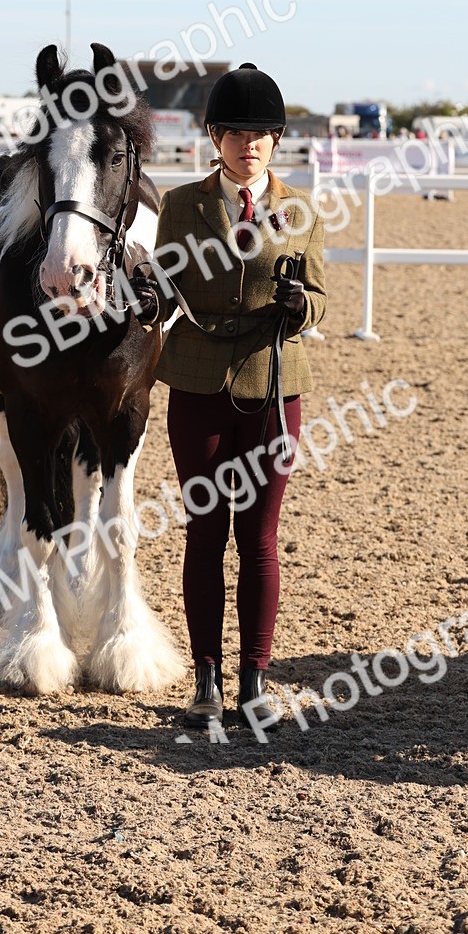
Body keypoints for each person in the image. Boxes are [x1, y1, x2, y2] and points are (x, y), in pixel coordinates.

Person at [131, 63, 326, 729]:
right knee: (205, 534)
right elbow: (160, 288)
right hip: (198, 385)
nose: (250, 144)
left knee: (261, 539)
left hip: (275, 384)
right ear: (213, 136)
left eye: (262, 133)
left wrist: (301, 307)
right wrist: (148, 301)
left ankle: (255, 682)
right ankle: (207, 681)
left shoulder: (301, 208)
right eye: (236, 132)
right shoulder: (184, 206)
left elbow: (321, 301)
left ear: (276, 140)